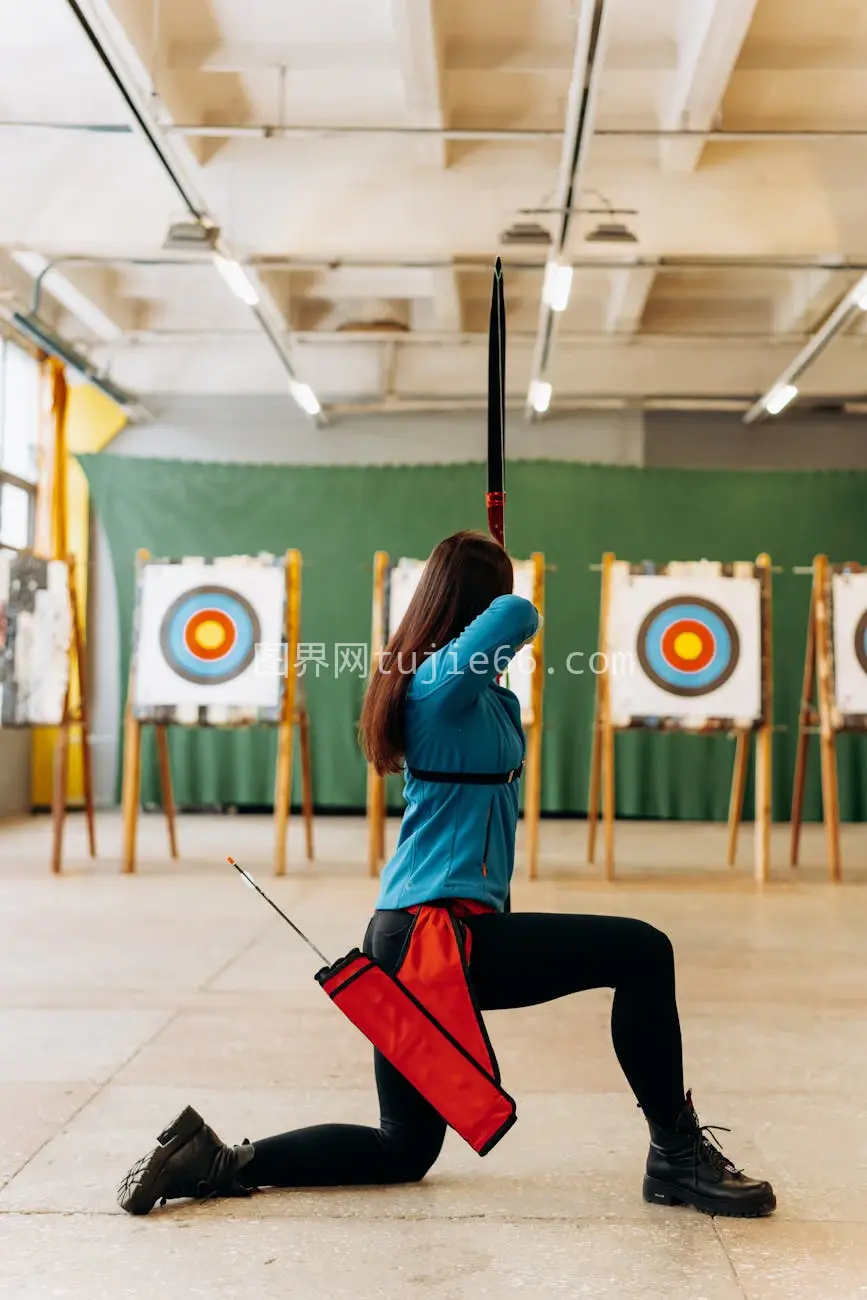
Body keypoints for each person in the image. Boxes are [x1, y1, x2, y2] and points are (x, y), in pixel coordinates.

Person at [118, 530, 775, 1219]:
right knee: (642, 951)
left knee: (402, 1149)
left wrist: (483, 575)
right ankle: (675, 1156)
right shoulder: (434, 685)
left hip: (416, 934)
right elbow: (518, 618)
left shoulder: (469, 693)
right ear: (475, 603)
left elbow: (494, 660)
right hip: (434, 939)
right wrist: (491, 564)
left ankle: (215, 1161)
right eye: (493, 593)